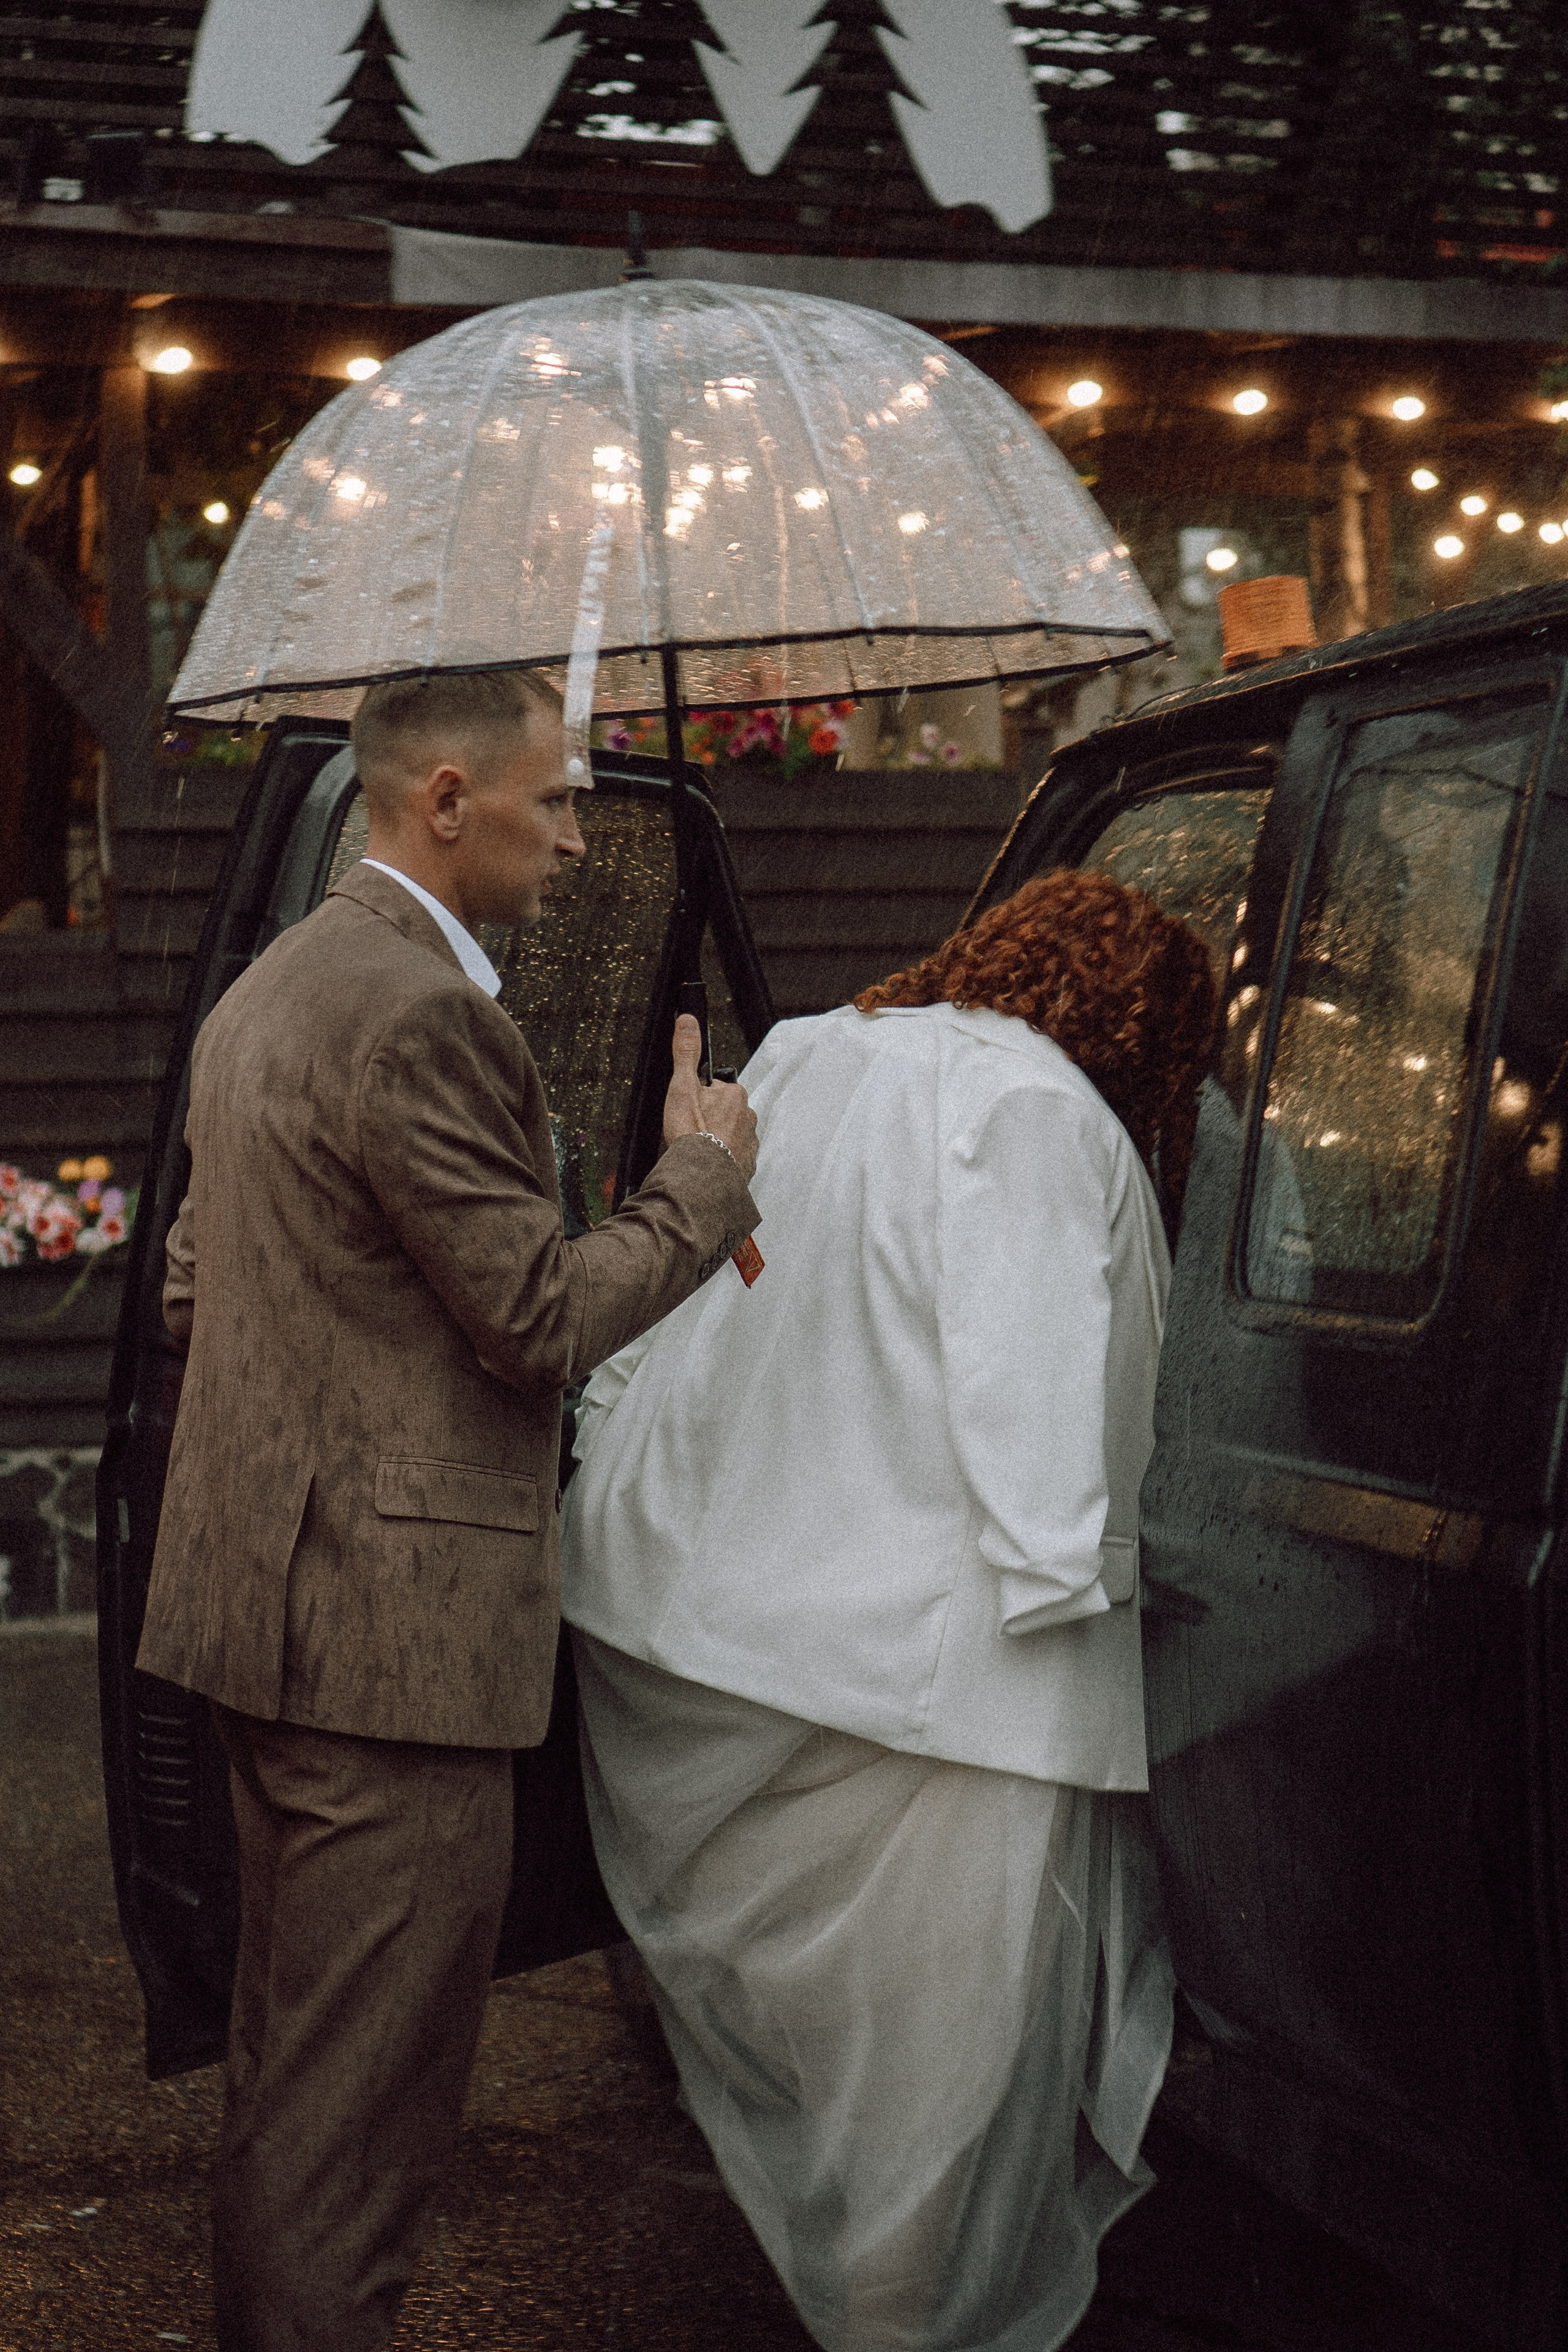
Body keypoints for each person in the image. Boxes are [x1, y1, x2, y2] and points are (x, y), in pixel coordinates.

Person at [135, 667, 761, 2352]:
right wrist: (699, 1174)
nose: (575, 838)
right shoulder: (423, 1015)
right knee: (362, 2129)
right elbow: (542, 1321)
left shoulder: (272, 989)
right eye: (553, 801)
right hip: (392, 1664)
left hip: (268, 1628)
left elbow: (205, 1292)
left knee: (296, 2079)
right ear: (443, 802)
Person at [562, 868, 1218, 2352]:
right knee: (940, 2089)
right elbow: (1025, 1380)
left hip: (697, 1631)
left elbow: (707, 1296)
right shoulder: (1043, 1111)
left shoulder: (807, 1049)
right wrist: (1092, 1572)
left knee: (823, 2062)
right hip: (916, 1689)